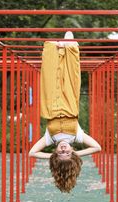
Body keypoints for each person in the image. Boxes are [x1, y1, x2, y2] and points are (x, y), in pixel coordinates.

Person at [29, 31, 101, 193]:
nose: (64, 150)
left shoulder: (49, 138)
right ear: (72, 152)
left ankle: (54, 51)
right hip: (69, 102)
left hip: (51, 104)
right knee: (71, 77)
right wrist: (76, 154)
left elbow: (32, 153)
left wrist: (53, 157)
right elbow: (97, 147)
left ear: (55, 152)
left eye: (60, 153)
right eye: (67, 153)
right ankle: (69, 49)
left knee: (49, 79)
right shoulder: (77, 136)